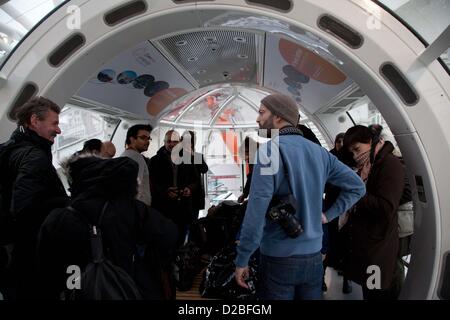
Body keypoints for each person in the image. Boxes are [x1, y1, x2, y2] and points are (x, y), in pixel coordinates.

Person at [234, 93, 366, 300]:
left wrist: (242, 259)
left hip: (278, 259)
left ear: (278, 117)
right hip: (313, 258)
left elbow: (256, 211)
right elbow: (357, 186)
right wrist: (328, 215)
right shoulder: (320, 153)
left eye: (261, 112)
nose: (258, 119)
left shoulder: (269, 152)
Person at [37, 155, 178, 299]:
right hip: (124, 287)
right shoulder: (130, 208)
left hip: (77, 288)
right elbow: (169, 234)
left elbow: (48, 269)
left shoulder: (59, 217)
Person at [0, 97, 69, 299]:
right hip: (30, 254)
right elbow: (24, 209)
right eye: (54, 123)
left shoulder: (7, 149)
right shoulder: (35, 157)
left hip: (8, 253)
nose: (59, 130)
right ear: (34, 121)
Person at [343, 124, 405, 300]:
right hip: (369, 245)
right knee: (370, 292)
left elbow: (386, 207)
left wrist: (356, 193)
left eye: (357, 149)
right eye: (352, 152)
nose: (356, 156)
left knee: (376, 292)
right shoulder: (371, 165)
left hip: (379, 249)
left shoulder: (389, 165)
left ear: (370, 141)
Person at [150, 130, 198, 247]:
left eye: (175, 142)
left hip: (183, 207)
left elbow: (195, 180)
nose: (171, 144)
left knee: (180, 240)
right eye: (169, 141)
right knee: (163, 241)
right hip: (163, 209)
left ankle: (178, 262)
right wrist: (165, 191)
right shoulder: (155, 161)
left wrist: (189, 189)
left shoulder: (188, 159)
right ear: (164, 142)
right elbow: (151, 184)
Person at [120, 124, 152, 206]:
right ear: (132, 139)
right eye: (143, 138)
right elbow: (136, 187)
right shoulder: (135, 156)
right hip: (138, 207)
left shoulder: (125, 155)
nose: (147, 141)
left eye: (148, 138)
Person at [181, 131, 208, 220]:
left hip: (195, 195)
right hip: (182, 194)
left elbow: (204, 169)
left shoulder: (197, 156)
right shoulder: (178, 156)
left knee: (194, 222)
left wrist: (193, 155)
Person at [237, 137, 259, 204]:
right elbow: (251, 176)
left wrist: (244, 194)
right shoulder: (257, 154)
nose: (246, 160)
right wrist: (245, 194)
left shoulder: (255, 158)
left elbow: (251, 177)